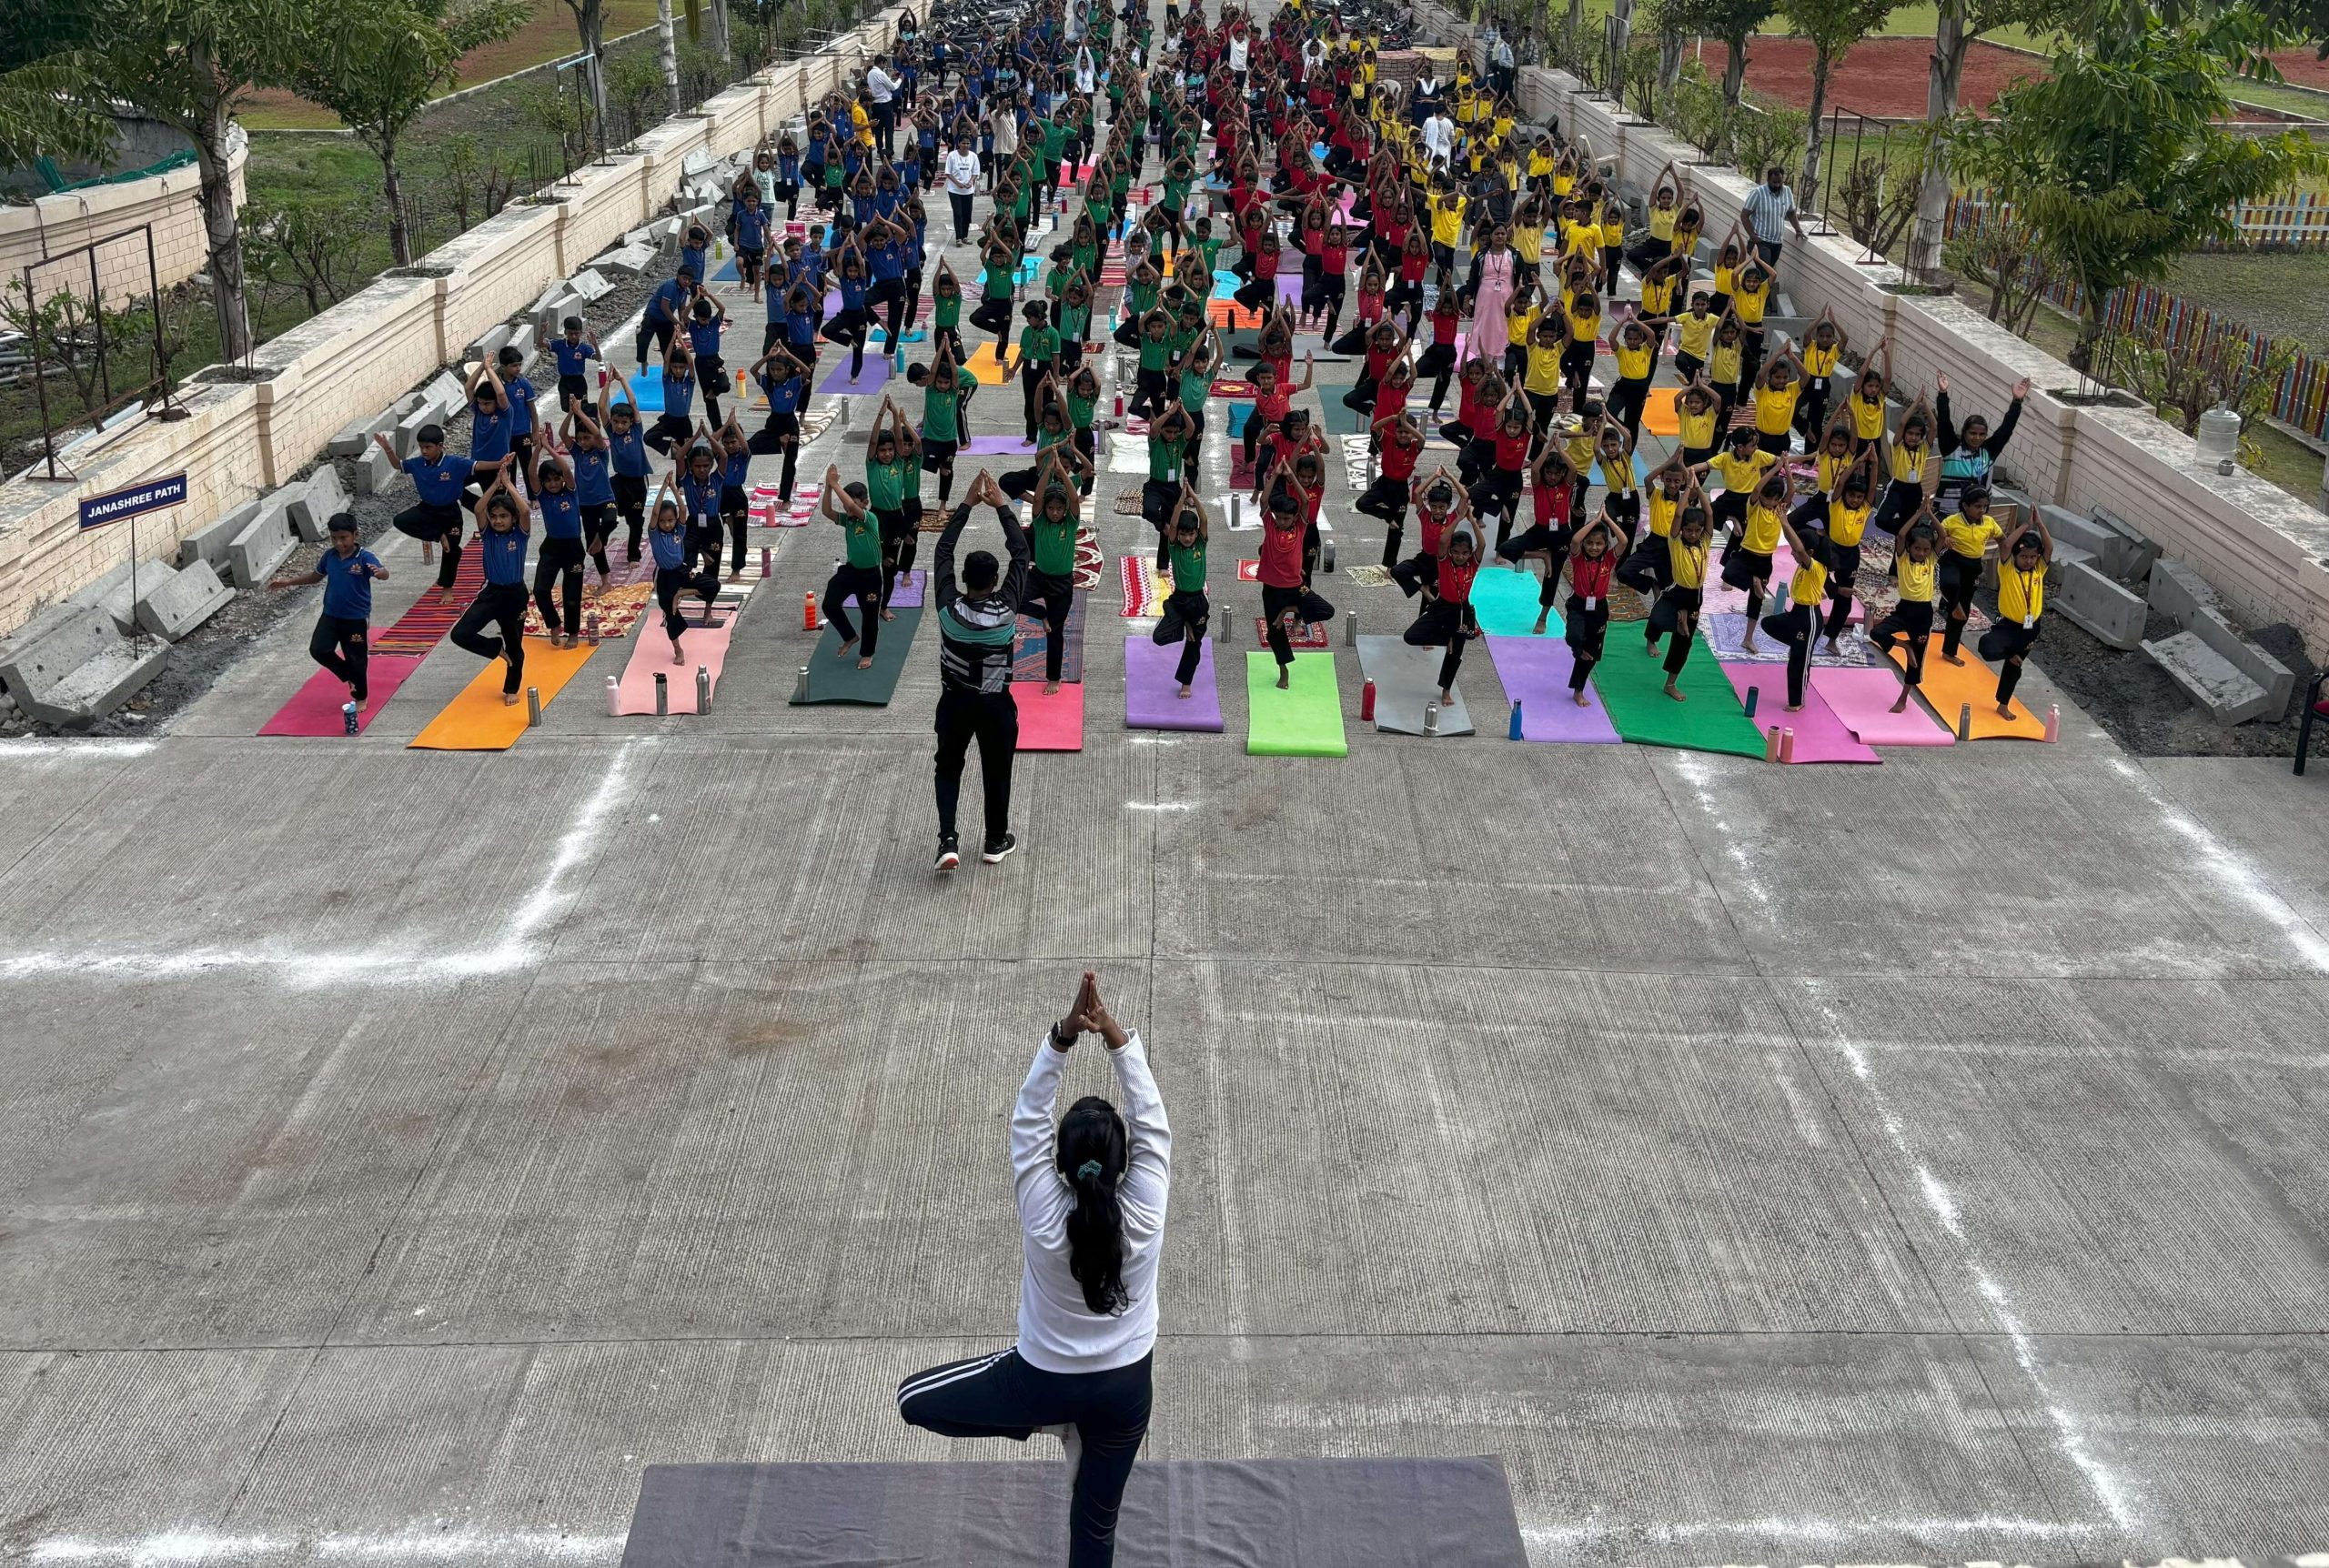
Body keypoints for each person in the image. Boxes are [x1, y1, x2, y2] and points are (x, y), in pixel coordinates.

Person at [896, 970, 1168, 1568]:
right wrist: (1115, 1037)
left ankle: (1046, 1420)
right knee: (1095, 1529)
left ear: (1060, 1165)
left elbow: (1028, 1116)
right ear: (1126, 1163)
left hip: (1044, 1383)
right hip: (1125, 1392)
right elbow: (1151, 1118)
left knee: (913, 1400)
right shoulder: (1147, 1209)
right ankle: (1062, 1420)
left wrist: (1063, 1037)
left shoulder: (1043, 1210)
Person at [929, 471, 1030, 870]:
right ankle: (994, 840)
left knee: (948, 768)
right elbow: (1021, 553)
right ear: (995, 581)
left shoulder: (949, 609)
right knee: (997, 771)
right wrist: (1002, 505)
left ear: (964, 579)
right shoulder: (1006, 610)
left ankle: (948, 839)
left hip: (954, 702)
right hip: (995, 706)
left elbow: (942, 552)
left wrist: (967, 504)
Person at [267, 513, 385, 729]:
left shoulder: (364, 557)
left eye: (343, 538)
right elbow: (315, 576)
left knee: (356, 658)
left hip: (355, 618)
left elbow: (384, 573)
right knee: (318, 649)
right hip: (330, 615)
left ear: (355, 535)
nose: (339, 543)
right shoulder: (329, 556)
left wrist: (379, 573)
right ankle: (348, 675)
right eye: (334, 538)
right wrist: (288, 582)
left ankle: (361, 695)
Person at [449, 467, 533, 706]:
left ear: (513, 519)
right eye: (494, 516)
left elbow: (525, 510)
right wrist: (496, 483)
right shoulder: (488, 534)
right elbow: (478, 509)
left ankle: (511, 688)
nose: (497, 521)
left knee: (515, 645)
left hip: (515, 595)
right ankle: (495, 648)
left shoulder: (520, 535)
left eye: (503, 516)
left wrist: (509, 484)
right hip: (492, 594)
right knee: (460, 634)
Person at [819, 462, 887, 670]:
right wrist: (829, 487)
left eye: (852, 503)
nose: (847, 508)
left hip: (871, 577)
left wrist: (835, 484)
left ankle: (867, 653)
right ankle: (849, 636)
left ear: (865, 503)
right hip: (851, 571)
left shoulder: (870, 519)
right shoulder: (847, 521)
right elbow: (827, 511)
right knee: (829, 605)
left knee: (869, 617)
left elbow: (851, 506)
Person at [1153, 488, 1210, 699]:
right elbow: (1174, 524)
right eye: (1184, 534)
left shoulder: (1201, 544)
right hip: (1178, 599)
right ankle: (1184, 624)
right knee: (1159, 637)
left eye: (1191, 534)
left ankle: (1186, 682)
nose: (1187, 538)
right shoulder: (1174, 547)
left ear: (1196, 533)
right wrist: (1180, 498)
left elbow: (1204, 519)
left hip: (1198, 601)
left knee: (1194, 643)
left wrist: (1193, 495)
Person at [1740, 165, 1804, 266]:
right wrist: (1752, 236)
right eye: (1774, 182)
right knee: (1765, 271)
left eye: (1780, 182)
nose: (1777, 185)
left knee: (1768, 272)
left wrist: (1798, 229)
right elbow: (1744, 216)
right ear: (1768, 180)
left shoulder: (1787, 192)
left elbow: (1791, 213)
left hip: (1777, 243)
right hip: (1760, 242)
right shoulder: (1758, 193)